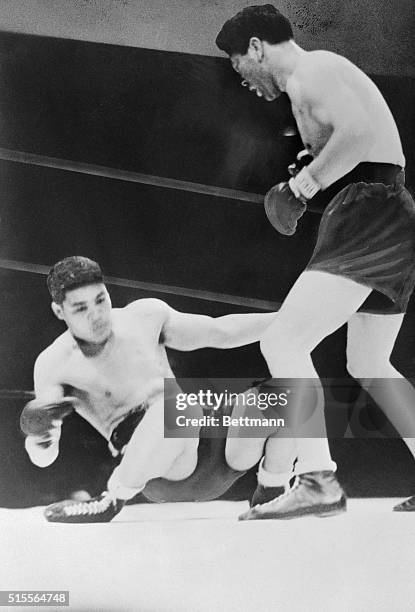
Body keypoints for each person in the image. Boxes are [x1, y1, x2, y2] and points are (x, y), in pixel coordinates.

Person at [216, 4, 415, 519]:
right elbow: (350, 141)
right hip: (385, 211)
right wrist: (309, 167)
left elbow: (354, 136)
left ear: (257, 47)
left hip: (370, 214)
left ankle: (319, 480)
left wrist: (304, 185)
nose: (244, 80)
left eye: (240, 64)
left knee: (281, 340)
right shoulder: (311, 84)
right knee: (369, 362)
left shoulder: (314, 69)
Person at [21, 255, 285, 523]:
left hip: (218, 452)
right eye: (80, 308)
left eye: (100, 300)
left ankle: (273, 490)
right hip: (160, 468)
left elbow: (220, 332)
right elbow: (44, 457)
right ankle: (111, 499)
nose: (96, 315)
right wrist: (41, 438)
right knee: (175, 409)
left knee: (291, 393)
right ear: (59, 311)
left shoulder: (144, 316)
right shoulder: (54, 362)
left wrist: (292, 318)